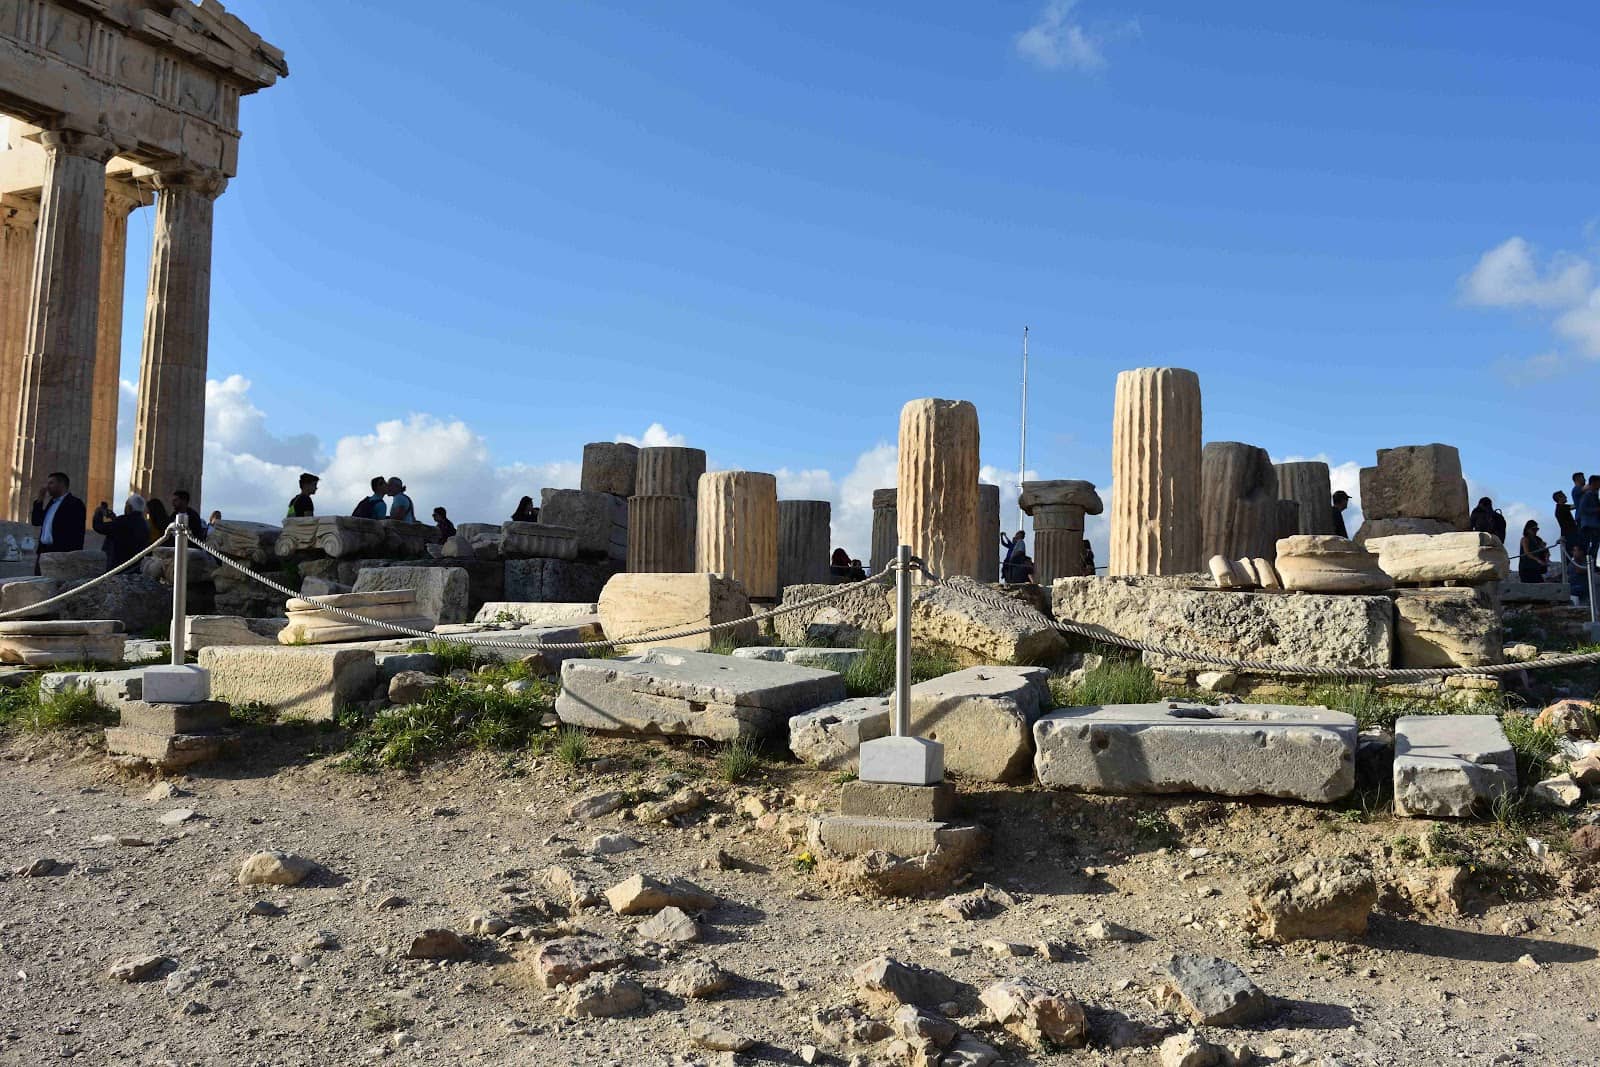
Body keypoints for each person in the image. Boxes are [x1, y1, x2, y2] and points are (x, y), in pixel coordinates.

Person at [31, 471, 85, 575]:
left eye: (51, 483)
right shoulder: (51, 503)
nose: (47, 487)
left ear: (61, 484)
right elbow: (36, 521)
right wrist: (39, 500)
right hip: (43, 551)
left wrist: (72, 555)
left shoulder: (75, 503)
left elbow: (77, 532)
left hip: (61, 552)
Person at [94, 494, 151, 572]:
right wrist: (114, 518)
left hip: (119, 566)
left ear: (129, 507)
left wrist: (98, 513)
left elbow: (99, 527)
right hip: (136, 566)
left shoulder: (122, 521)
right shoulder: (145, 524)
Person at [1579, 475, 1600, 562]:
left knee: (1595, 545)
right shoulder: (1588, 495)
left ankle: (1592, 564)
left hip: (1594, 524)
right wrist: (1597, 509)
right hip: (1590, 524)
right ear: (1594, 483)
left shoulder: (1594, 494)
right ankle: (1589, 564)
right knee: (1591, 546)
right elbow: (1582, 509)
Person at [1554, 491, 1579, 560]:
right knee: (1573, 553)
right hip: (1569, 535)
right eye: (1564, 496)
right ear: (1560, 498)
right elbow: (1575, 506)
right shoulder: (1561, 508)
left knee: (1570, 554)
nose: (1566, 497)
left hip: (1568, 534)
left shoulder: (1561, 508)